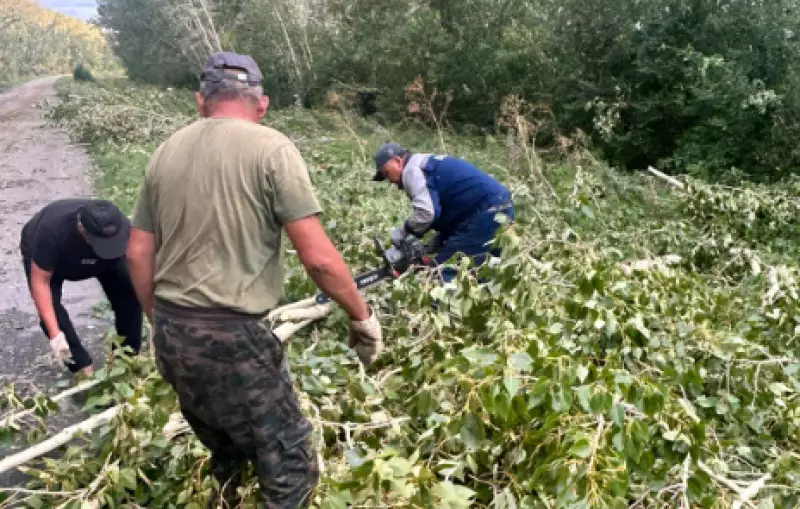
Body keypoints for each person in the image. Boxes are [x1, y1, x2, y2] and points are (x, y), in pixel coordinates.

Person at [125, 51, 382, 509]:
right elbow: (319, 260)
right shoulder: (271, 148)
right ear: (261, 104)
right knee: (290, 467)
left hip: (171, 328)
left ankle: (226, 499)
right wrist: (361, 316)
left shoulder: (165, 151)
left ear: (201, 101)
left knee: (226, 445)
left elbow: (137, 252)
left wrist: (162, 323)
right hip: (234, 337)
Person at [19, 198, 142, 377]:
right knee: (52, 313)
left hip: (105, 262)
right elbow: (41, 282)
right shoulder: (51, 232)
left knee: (129, 294)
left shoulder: (119, 225)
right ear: (81, 228)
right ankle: (82, 369)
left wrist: (154, 314)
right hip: (55, 261)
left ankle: (126, 358)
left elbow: (138, 263)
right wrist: (55, 335)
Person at [372, 142, 514, 282]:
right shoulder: (427, 162)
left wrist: (404, 231)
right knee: (487, 270)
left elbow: (427, 213)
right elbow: (454, 200)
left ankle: (439, 303)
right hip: (500, 207)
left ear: (398, 161)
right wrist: (442, 237)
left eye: (387, 173)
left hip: (484, 212)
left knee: (441, 273)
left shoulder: (411, 170)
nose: (389, 181)